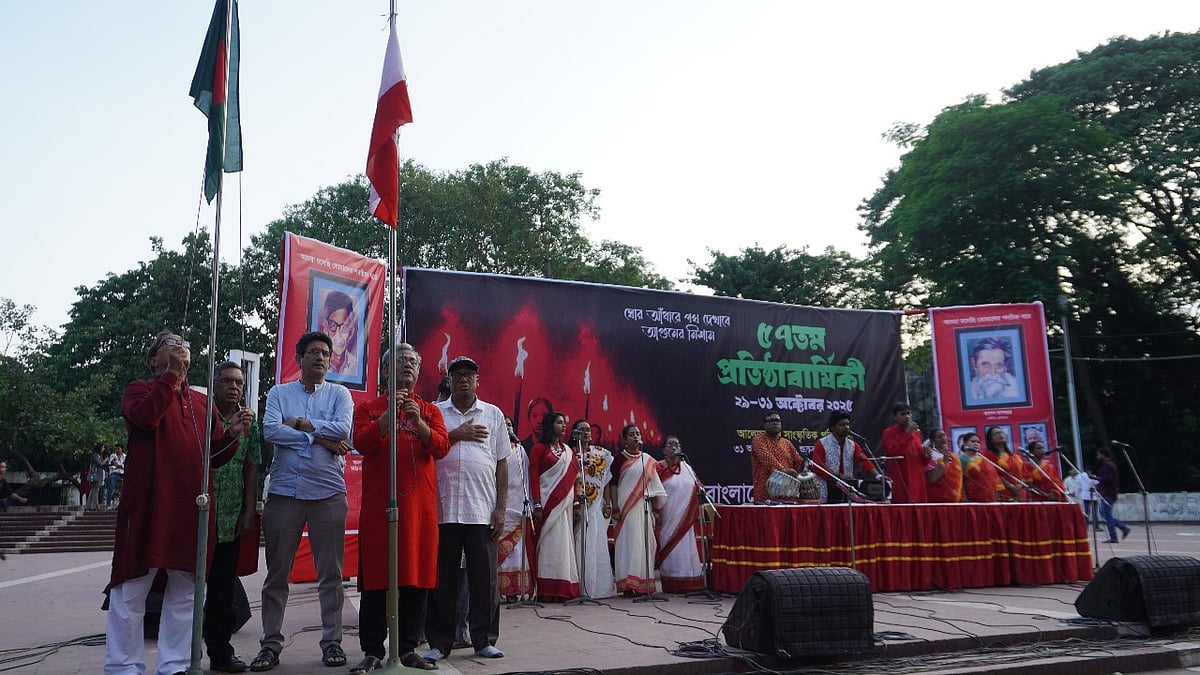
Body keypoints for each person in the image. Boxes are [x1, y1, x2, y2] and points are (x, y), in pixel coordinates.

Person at [105, 330, 249, 675]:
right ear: (154, 360)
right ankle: (123, 666)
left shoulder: (201, 403)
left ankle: (175, 664)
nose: (178, 345)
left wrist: (231, 434)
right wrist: (171, 376)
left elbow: (213, 456)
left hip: (191, 509)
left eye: (182, 342)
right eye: (168, 343)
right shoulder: (139, 390)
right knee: (131, 589)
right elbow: (145, 418)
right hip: (149, 507)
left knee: (186, 591)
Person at [253, 331, 354, 672]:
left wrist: (300, 425)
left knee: (331, 574)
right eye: (313, 352)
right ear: (299, 358)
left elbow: (342, 431)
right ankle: (270, 645)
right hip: (284, 493)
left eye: (325, 353)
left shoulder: (340, 394)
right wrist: (320, 440)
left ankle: (332, 643)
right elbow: (270, 431)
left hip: (328, 493)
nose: (320, 358)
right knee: (277, 574)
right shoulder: (280, 392)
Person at [352, 345, 449, 672]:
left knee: (416, 576)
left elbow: (441, 447)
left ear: (419, 372)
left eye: (412, 362)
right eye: (399, 361)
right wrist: (386, 419)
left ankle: (408, 647)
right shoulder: (368, 408)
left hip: (420, 509)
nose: (406, 366)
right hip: (382, 509)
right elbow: (362, 443)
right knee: (378, 577)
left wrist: (417, 422)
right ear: (385, 370)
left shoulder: (430, 410)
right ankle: (372, 649)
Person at [426, 356, 509, 662]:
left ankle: (484, 640)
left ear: (478, 381)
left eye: (469, 375)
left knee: (484, 579)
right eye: (457, 375)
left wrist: (501, 509)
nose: (463, 380)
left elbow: (502, 464)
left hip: (481, 509)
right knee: (442, 579)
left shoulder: (493, 414)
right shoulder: (435, 412)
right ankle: (440, 642)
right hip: (443, 508)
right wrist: (457, 434)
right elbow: (428, 447)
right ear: (448, 381)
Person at [204, 361, 262, 673]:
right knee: (187, 588)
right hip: (200, 517)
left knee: (223, 590)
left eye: (238, 382)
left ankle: (220, 653)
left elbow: (253, 467)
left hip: (231, 519)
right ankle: (181, 651)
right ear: (214, 385)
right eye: (226, 381)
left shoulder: (250, 423)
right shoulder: (202, 416)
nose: (233, 387)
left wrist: (250, 510)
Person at [607, 424, 667, 596]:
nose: (636, 437)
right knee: (629, 544)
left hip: (643, 507)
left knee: (645, 543)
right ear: (625, 439)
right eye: (631, 435)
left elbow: (656, 487)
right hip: (625, 509)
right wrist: (615, 507)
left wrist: (655, 510)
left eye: (638, 434)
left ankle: (642, 583)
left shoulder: (647, 459)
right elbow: (612, 485)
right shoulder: (619, 459)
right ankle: (627, 584)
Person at [528, 411, 580, 601]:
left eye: (564, 422)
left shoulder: (568, 451)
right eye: (559, 422)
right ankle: (546, 589)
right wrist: (538, 504)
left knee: (563, 544)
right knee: (548, 545)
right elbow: (533, 477)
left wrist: (575, 503)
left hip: (564, 507)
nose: (564, 425)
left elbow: (574, 479)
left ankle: (564, 586)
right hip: (547, 506)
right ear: (550, 426)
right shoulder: (539, 449)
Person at [571, 419, 616, 600]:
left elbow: (607, 482)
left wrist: (608, 503)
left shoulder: (602, 454)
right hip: (575, 507)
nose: (586, 433)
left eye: (588, 429)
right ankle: (580, 587)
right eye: (581, 430)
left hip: (596, 506)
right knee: (578, 544)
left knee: (597, 544)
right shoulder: (569, 455)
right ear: (574, 433)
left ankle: (598, 588)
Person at [655, 436, 703, 594]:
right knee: (671, 547)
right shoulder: (659, 467)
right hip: (667, 515)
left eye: (677, 444)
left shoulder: (687, 467)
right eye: (670, 444)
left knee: (686, 547)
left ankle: (689, 583)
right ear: (664, 450)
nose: (674, 447)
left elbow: (699, 487)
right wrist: (656, 512)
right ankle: (672, 582)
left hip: (685, 519)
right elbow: (653, 490)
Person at [497, 416, 533, 601]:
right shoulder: (493, 447)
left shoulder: (520, 450)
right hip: (500, 504)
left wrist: (529, 502)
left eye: (510, 424)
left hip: (518, 504)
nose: (508, 427)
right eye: (504, 424)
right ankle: (498, 591)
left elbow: (526, 477)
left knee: (517, 550)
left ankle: (514, 592)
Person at [810, 412, 880, 503]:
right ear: (833, 427)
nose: (846, 427)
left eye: (848, 424)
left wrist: (878, 476)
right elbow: (817, 467)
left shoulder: (853, 445)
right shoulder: (821, 444)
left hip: (847, 489)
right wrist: (838, 476)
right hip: (826, 489)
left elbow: (865, 461)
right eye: (842, 425)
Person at [749, 412, 804, 503]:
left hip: (787, 492)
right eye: (771, 420)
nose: (775, 423)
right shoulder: (759, 439)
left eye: (777, 420)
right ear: (765, 425)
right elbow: (767, 459)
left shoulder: (786, 443)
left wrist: (803, 472)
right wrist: (786, 471)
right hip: (765, 492)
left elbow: (798, 461)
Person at [880, 403, 929, 504]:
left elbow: (921, 460)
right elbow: (894, 453)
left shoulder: (917, 433)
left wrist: (927, 456)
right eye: (902, 414)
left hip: (917, 478)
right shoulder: (889, 433)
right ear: (895, 417)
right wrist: (907, 433)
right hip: (901, 478)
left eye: (909, 413)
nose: (907, 417)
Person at [1096, 446, 1131, 543]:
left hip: (1108, 493)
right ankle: (1123, 529)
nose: (1097, 456)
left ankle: (1114, 536)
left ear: (1103, 455)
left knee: (1106, 514)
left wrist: (1096, 478)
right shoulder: (1109, 465)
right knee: (1105, 514)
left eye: (1098, 455)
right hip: (1108, 493)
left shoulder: (1108, 465)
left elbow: (1108, 480)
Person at [320, 291, 359, 378]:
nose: (338, 335)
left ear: (351, 331)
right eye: (333, 326)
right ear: (325, 328)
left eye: (344, 327)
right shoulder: (317, 364)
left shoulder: (356, 367)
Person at [983, 426, 1026, 501]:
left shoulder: (1015, 456)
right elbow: (993, 475)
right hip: (1003, 493)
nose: (1000, 434)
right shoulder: (988, 456)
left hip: (1020, 493)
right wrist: (1010, 486)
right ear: (991, 440)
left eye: (1002, 432)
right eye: (996, 433)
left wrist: (1020, 485)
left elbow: (1025, 474)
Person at [958, 432, 1000, 503]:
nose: (976, 444)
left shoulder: (984, 459)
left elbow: (994, 478)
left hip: (991, 498)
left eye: (978, 442)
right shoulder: (960, 459)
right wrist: (964, 499)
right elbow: (959, 481)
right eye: (973, 441)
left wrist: (997, 496)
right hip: (972, 499)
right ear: (965, 443)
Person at [925, 428, 963, 503]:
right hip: (939, 503)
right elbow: (932, 479)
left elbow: (960, 479)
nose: (943, 439)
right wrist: (944, 462)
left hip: (957, 502)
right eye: (939, 437)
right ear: (933, 441)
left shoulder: (954, 457)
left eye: (944, 436)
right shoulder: (931, 457)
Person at [105, 443, 126, 508]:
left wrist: (118, 466)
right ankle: (108, 504)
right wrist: (121, 465)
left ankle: (121, 504)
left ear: (121, 449)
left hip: (122, 473)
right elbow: (114, 463)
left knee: (122, 489)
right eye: (116, 449)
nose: (117, 450)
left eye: (118, 449)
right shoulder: (113, 455)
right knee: (111, 487)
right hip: (114, 473)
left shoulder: (125, 456)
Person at [87, 443, 106, 511]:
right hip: (96, 475)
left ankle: (89, 506)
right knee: (95, 491)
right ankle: (96, 506)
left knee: (93, 491)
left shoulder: (98, 456)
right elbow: (100, 464)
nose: (104, 449)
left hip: (98, 475)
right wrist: (106, 459)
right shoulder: (95, 455)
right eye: (103, 447)